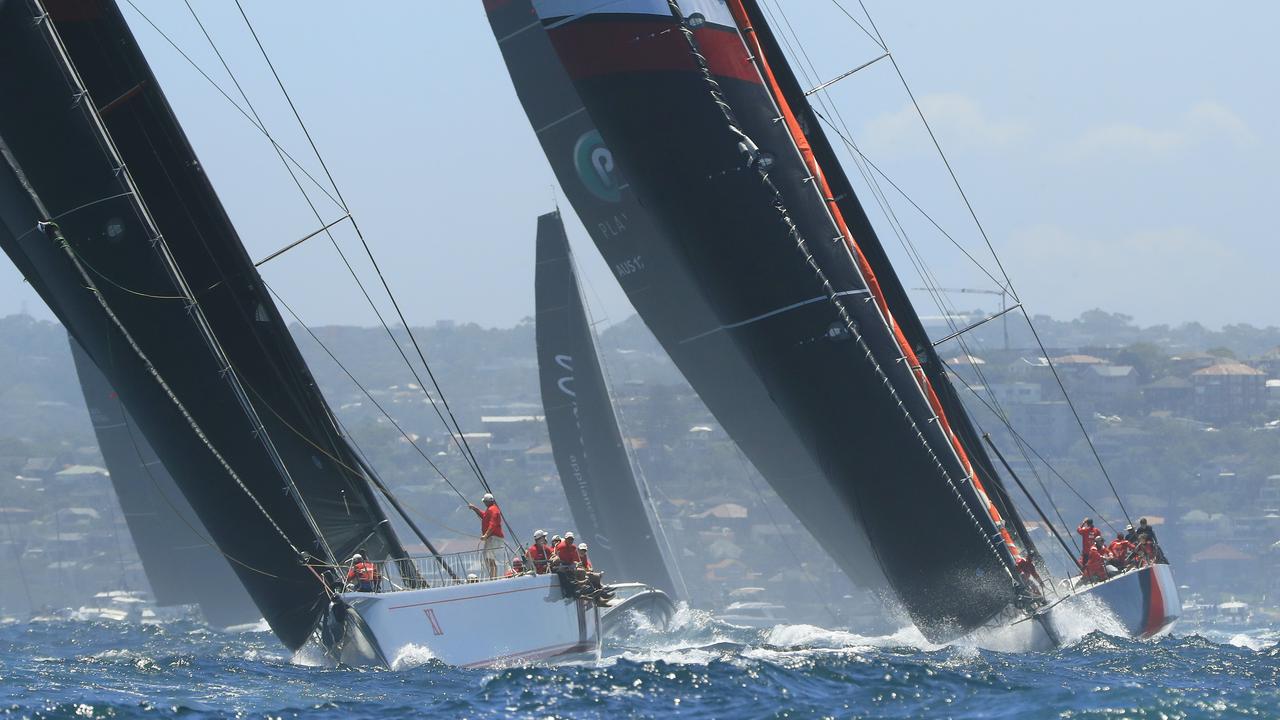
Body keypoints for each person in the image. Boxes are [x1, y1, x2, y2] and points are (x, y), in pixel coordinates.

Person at [468, 492, 504, 579]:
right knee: (488, 557)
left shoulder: (493, 510)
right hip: (491, 538)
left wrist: (486, 535)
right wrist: (474, 508)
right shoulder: (491, 509)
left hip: (494, 538)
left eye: (484, 502)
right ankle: (493, 576)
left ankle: (493, 577)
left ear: (487, 502)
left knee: (489, 558)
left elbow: (493, 524)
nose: (484, 503)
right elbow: (483, 515)